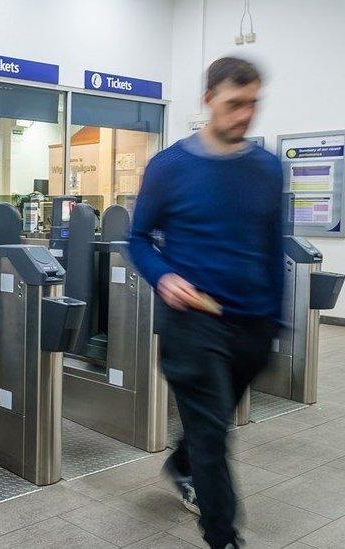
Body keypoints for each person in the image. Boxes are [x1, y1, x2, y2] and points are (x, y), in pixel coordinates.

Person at [128, 57, 283, 549]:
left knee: (210, 428)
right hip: (192, 322)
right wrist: (163, 276)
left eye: (253, 104)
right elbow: (136, 239)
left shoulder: (266, 169)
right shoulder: (168, 167)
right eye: (235, 103)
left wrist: (274, 322)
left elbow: (271, 246)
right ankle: (223, 536)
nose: (245, 115)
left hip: (251, 324)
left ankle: (181, 463)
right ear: (209, 99)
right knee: (215, 435)